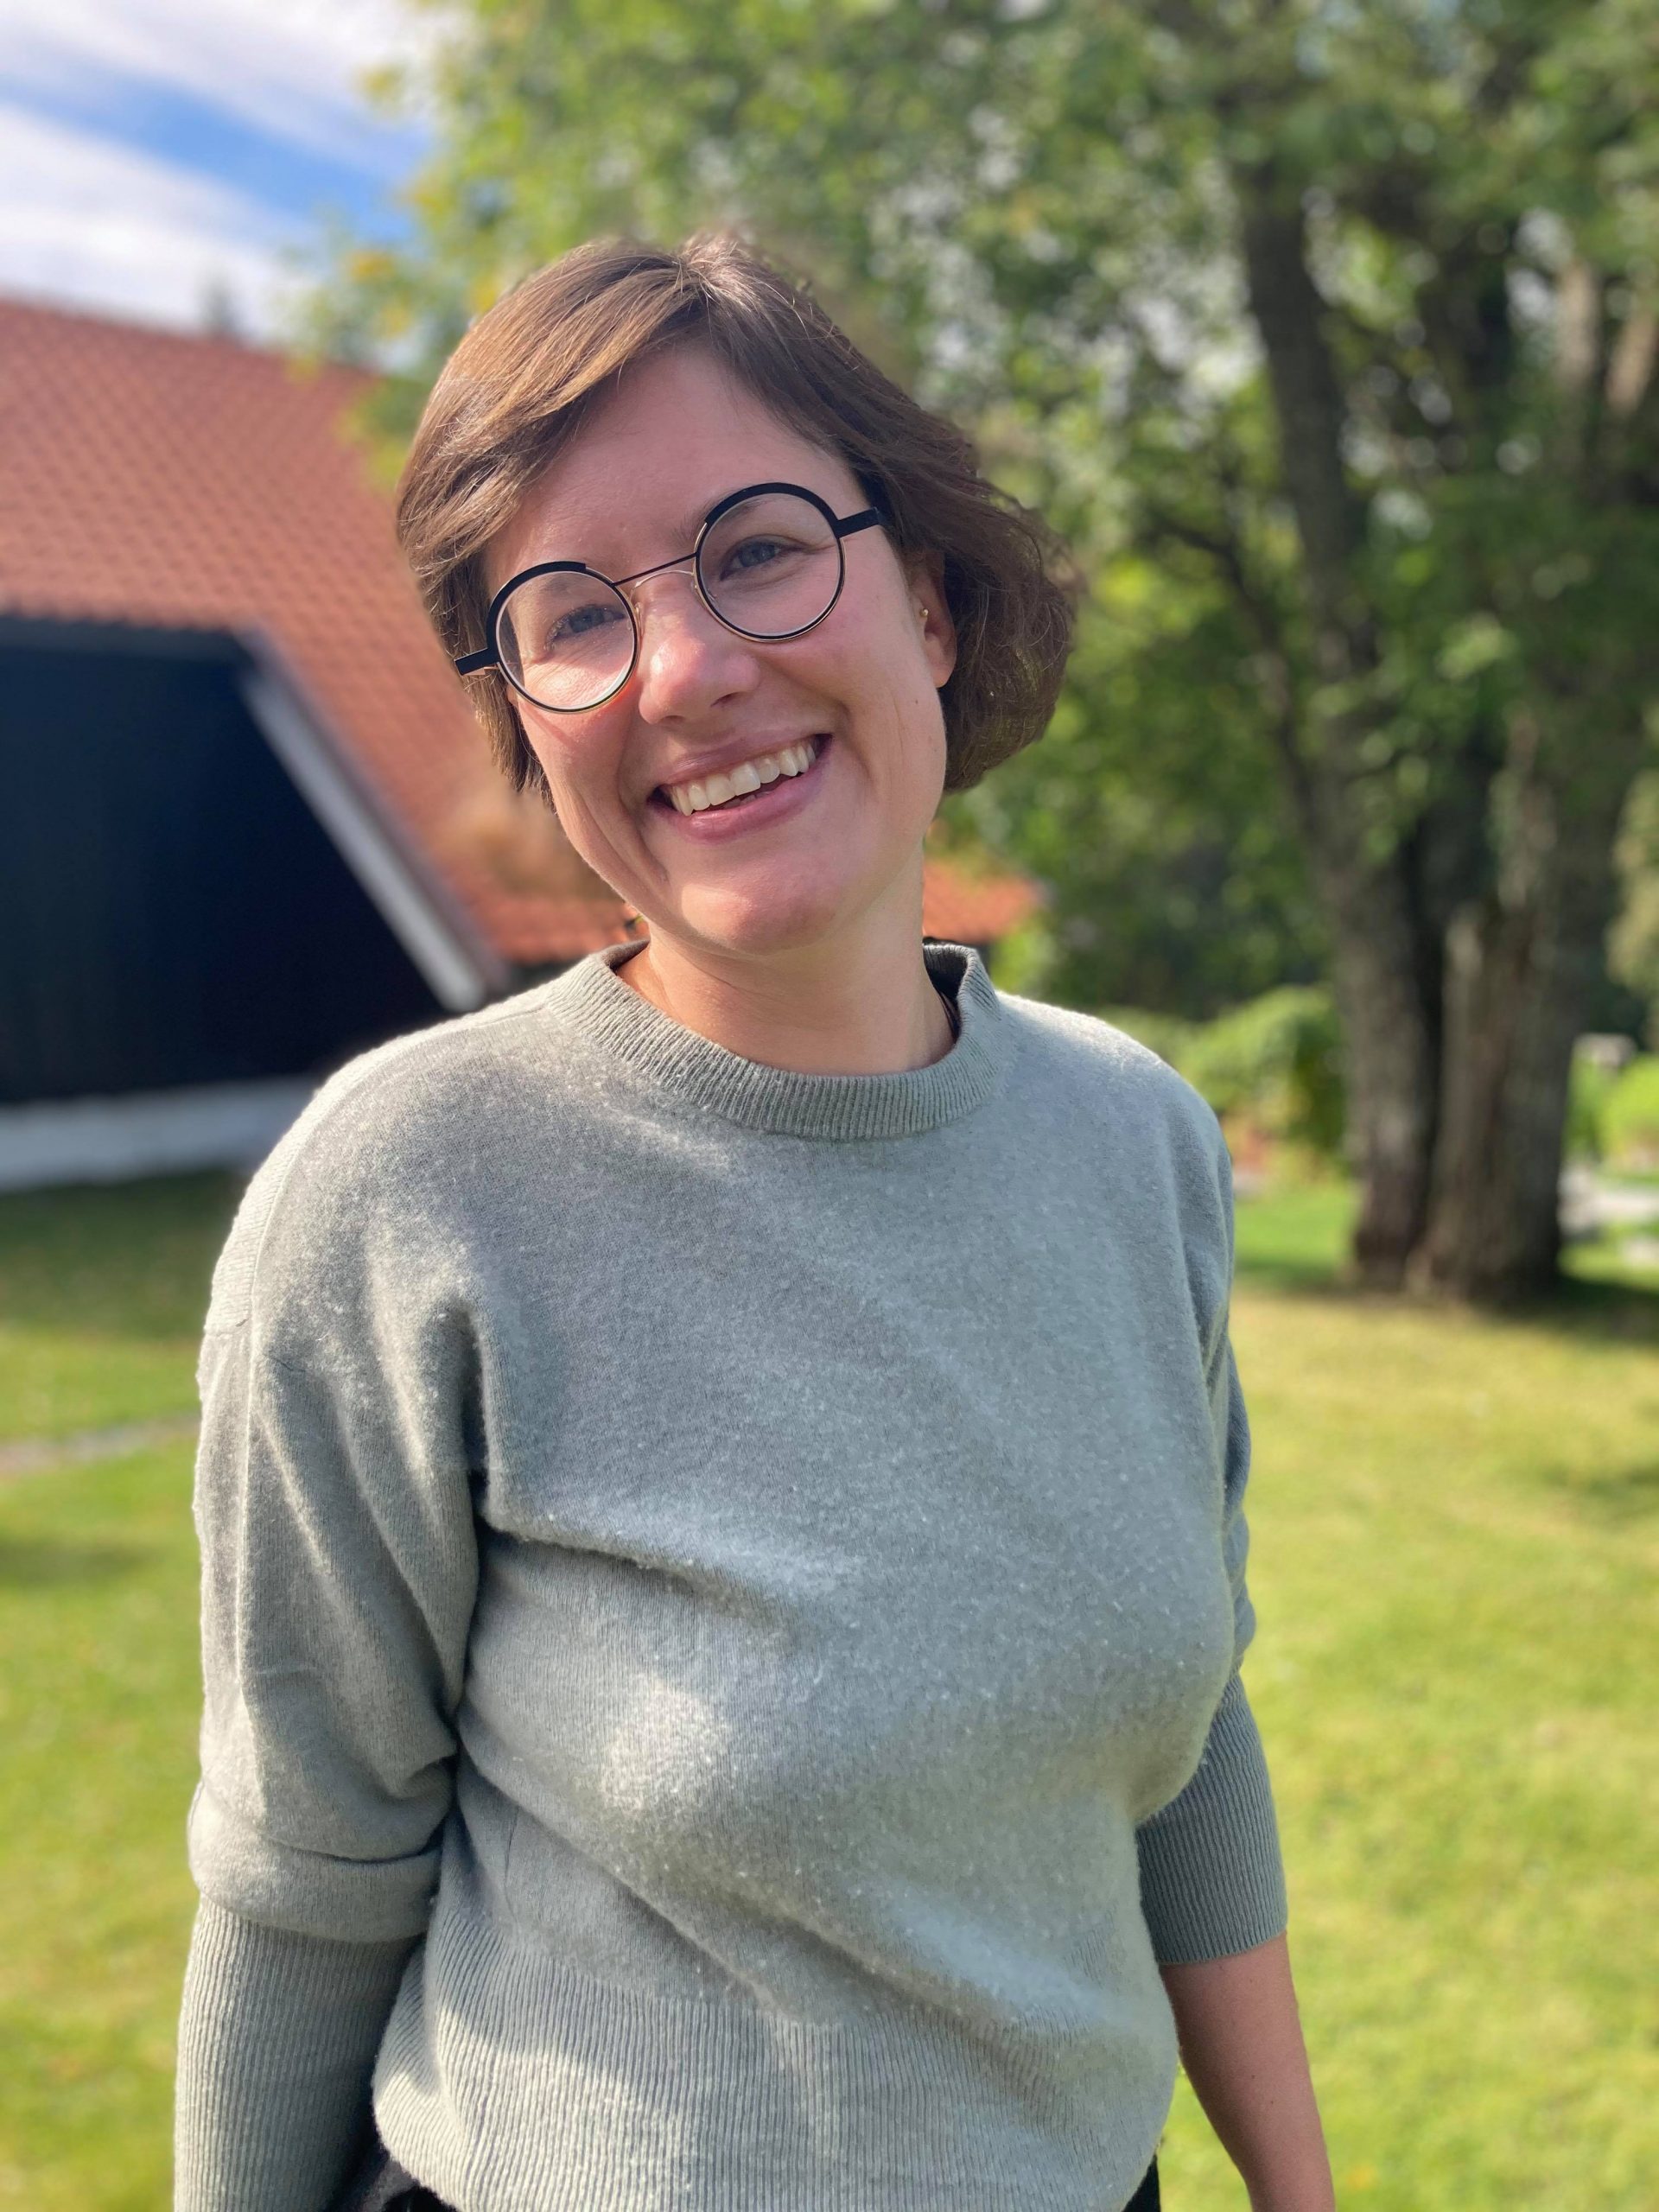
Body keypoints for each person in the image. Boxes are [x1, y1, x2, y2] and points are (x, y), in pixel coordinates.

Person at [173, 231, 1335, 2212]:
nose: (688, 669)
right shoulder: (404, 1191)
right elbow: (303, 1877)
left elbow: (1185, 1732)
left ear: (938, 599)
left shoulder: (1135, 1139)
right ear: (527, 716)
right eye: (567, 614)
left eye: (761, 547)